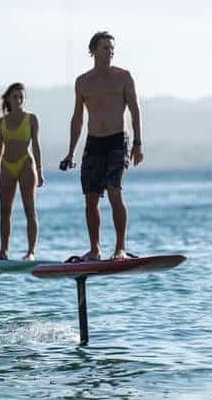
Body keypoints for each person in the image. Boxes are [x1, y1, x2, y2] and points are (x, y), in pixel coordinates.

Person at [59, 31, 144, 261]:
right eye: (105, 48)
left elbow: (135, 110)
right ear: (93, 51)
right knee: (91, 198)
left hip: (118, 140)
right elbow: (77, 118)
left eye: (112, 48)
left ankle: (120, 249)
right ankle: (95, 250)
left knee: (115, 192)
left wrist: (138, 142)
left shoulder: (123, 77)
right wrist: (71, 152)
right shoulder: (83, 82)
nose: (110, 52)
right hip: (94, 142)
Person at [0, 83, 45, 261]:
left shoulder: (31, 119)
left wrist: (40, 171)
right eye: (15, 97)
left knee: (29, 209)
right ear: (8, 99)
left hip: (26, 164)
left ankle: (31, 252)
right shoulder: (2, 122)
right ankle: (3, 251)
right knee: (4, 211)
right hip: (7, 166)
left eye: (21, 97)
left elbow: (36, 146)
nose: (18, 100)